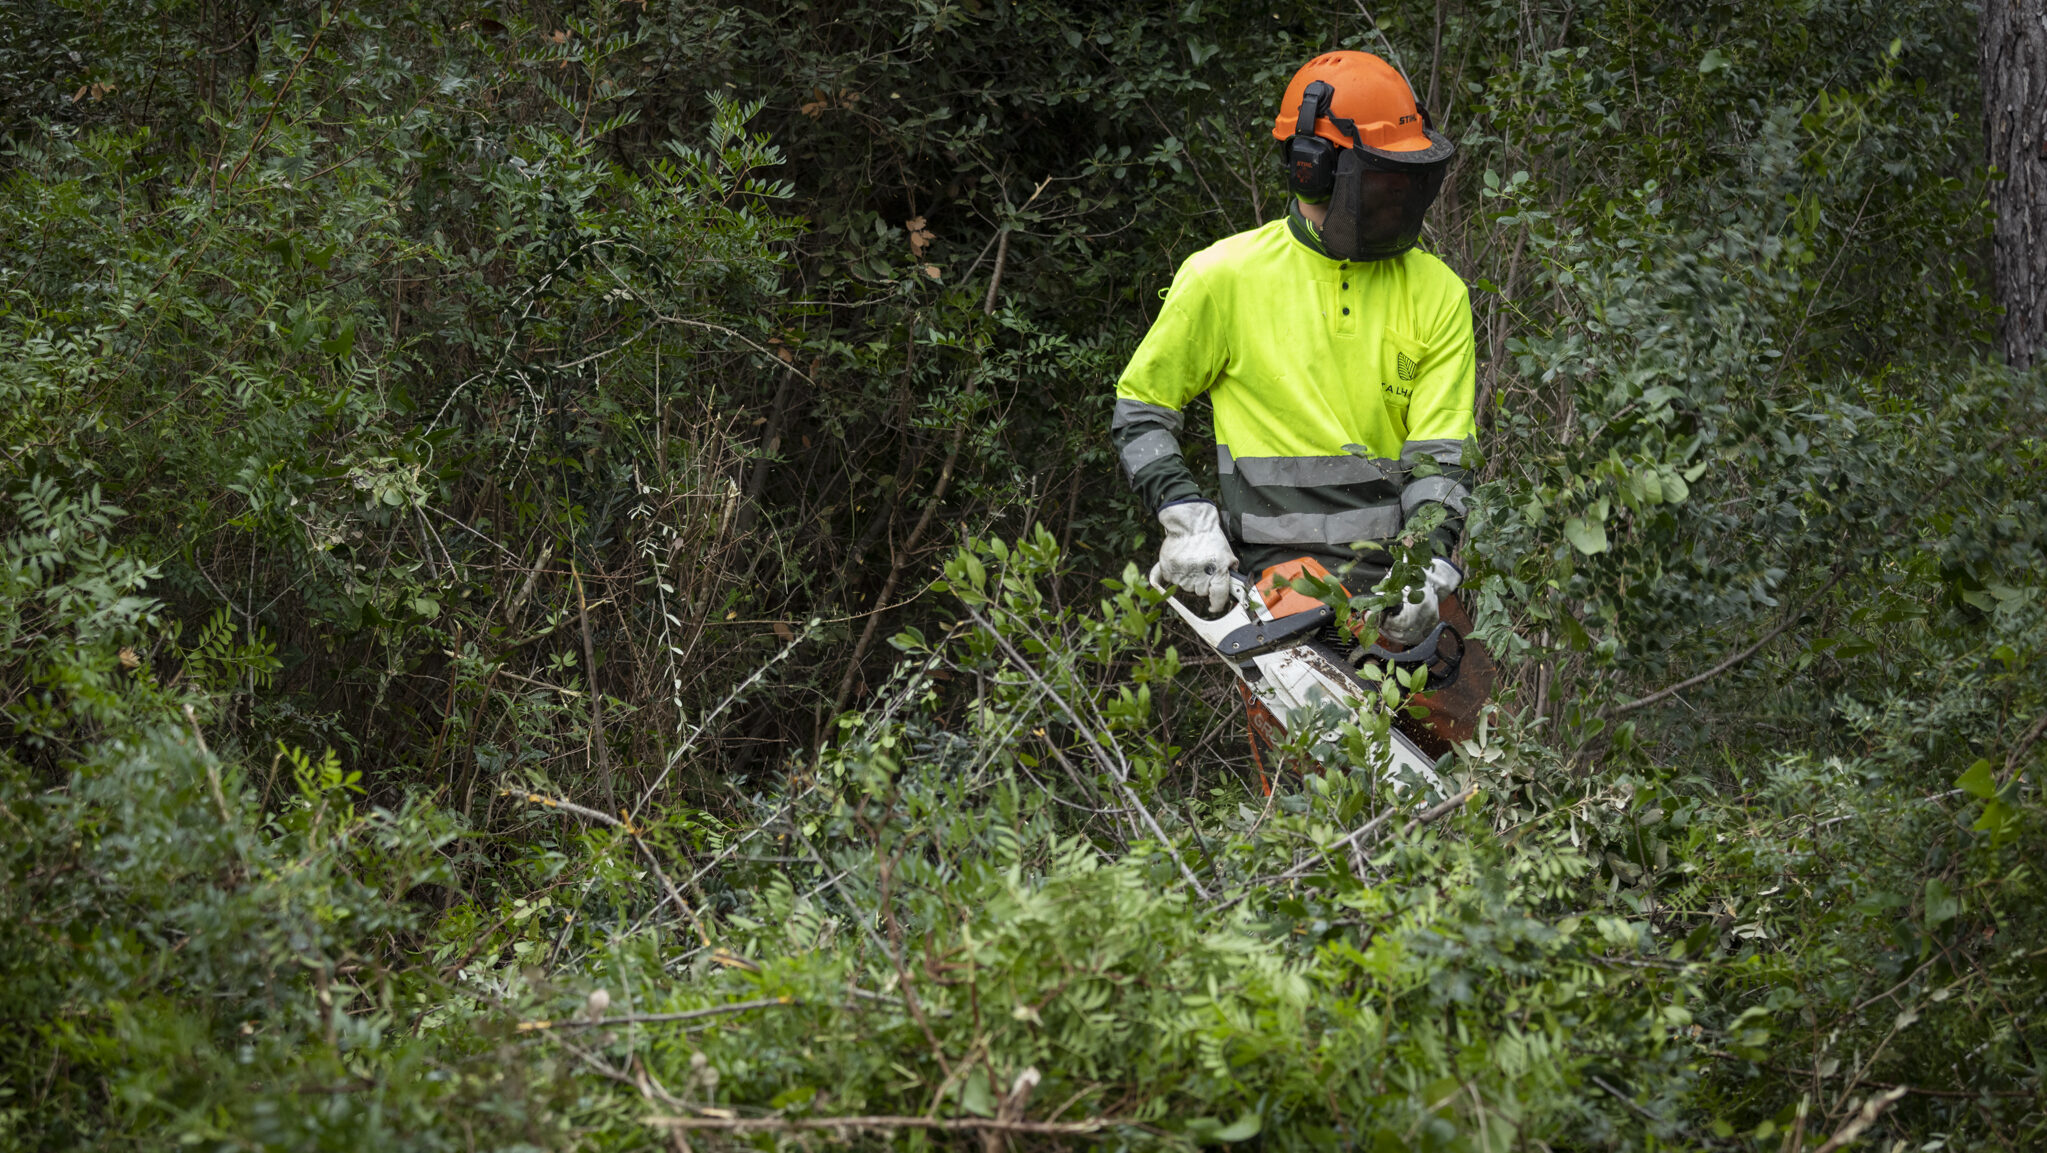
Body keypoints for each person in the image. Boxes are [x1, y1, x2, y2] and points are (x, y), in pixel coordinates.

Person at [1111, 50, 1476, 646]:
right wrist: (1186, 520)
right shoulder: (1223, 278)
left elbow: (1440, 456)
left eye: (1407, 182)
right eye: (1383, 181)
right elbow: (1141, 410)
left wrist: (1423, 567)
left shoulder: (1438, 292)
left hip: (1394, 589)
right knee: (1324, 739)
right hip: (1272, 583)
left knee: (1464, 732)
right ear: (1312, 168)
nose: (1396, 203)